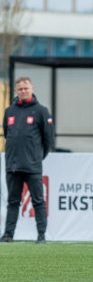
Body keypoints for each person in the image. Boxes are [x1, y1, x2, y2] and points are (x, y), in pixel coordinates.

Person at [0, 77, 54, 244]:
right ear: (16, 91)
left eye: (26, 88)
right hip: (12, 166)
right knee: (12, 202)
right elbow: (8, 133)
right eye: (20, 89)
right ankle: (8, 235)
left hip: (33, 166)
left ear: (32, 88)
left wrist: (36, 157)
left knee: (38, 201)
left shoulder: (41, 111)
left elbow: (48, 140)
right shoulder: (9, 111)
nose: (23, 91)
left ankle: (41, 236)